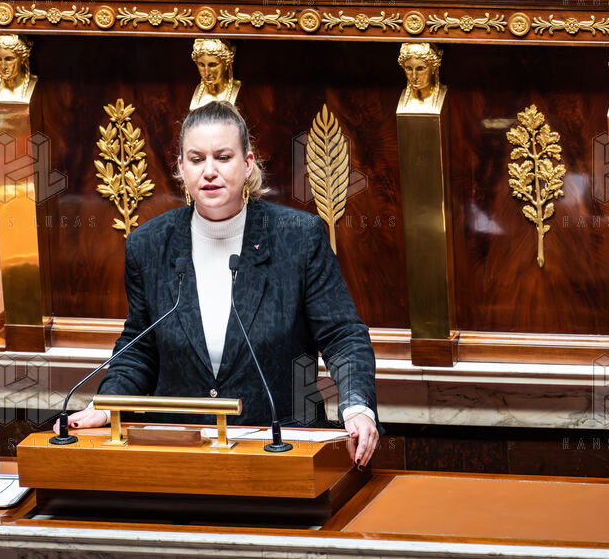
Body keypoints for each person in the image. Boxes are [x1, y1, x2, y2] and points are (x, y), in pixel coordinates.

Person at [60, 101, 380, 467]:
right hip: (179, 450)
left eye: (223, 157)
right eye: (196, 159)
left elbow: (342, 335)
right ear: (181, 168)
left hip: (280, 445)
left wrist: (357, 407)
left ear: (247, 164)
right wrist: (106, 405)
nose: (209, 171)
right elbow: (140, 347)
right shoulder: (148, 245)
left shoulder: (298, 237)